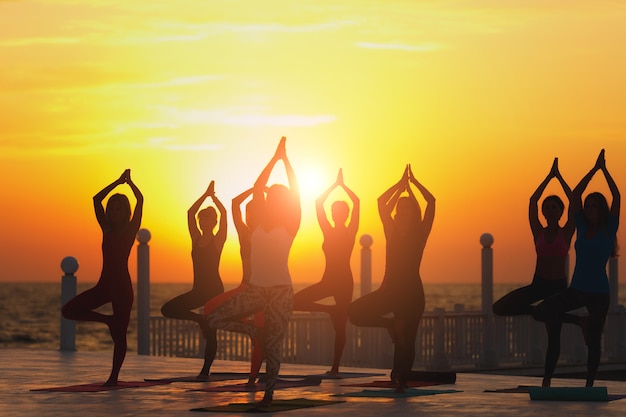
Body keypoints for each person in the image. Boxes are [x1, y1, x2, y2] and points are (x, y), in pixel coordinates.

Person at [206, 136, 300, 406]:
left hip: (281, 293)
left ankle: (269, 393)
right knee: (213, 318)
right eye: (268, 199)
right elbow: (259, 186)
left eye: (274, 199)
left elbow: (296, 191)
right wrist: (274, 158)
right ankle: (252, 332)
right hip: (256, 290)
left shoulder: (291, 224)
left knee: (273, 346)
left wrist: (286, 161)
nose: (269, 200)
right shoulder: (257, 224)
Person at [533, 149, 620, 387]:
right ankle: (579, 321)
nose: (589, 208)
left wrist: (605, 171)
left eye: (594, 206)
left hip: (600, 293)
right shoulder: (580, 226)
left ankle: (590, 385)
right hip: (577, 289)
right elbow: (575, 195)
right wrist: (593, 169)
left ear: (601, 209)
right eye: (588, 206)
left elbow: (617, 195)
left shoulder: (609, 227)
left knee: (594, 341)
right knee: (541, 312)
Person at [348, 164, 435, 392]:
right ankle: (390, 324)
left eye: (408, 208)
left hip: (412, 293)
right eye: (400, 208)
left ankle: (401, 379)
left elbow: (432, 202)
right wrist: (399, 185)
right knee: (354, 313)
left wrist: (414, 185)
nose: (403, 211)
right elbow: (380, 202)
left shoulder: (420, 232)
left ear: (413, 211)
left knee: (407, 339)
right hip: (391, 291)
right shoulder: (391, 230)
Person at [492, 157, 574, 387]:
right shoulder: (537, 230)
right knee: (499, 308)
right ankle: (547, 313)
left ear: (561, 211)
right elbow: (532, 200)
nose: (549, 210)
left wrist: (560, 179)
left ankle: (547, 381)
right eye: (546, 208)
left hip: (558, 287)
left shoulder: (566, 231)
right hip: (538, 283)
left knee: (553, 338)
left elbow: (575, 201)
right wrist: (549, 177)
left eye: (554, 207)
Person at [62, 169, 143, 386]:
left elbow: (140, 199)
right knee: (68, 310)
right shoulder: (106, 229)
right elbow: (96, 199)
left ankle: (113, 378)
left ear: (125, 211)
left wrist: (130, 184)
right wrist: (117, 182)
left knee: (120, 335)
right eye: (112, 209)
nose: (114, 212)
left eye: (119, 209)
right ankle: (107, 320)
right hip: (104, 286)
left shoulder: (130, 230)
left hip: (122, 290)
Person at [293, 168, 359, 376]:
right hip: (328, 280)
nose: (336, 215)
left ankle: (335, 367)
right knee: (294, 301)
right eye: (334, 212)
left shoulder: (350, 231)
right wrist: (333, 186)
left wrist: (343, 186)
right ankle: (328, 310)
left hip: (344, 282)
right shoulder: (327, 230)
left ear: (345, 215)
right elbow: (318, 204)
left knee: (340, 327)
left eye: (340, 212)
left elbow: (356, 203)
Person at [160, 181, 226, 380]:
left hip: (214, 290)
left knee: (212, 333)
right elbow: (190, 213)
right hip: (198, 290)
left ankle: (205, 371)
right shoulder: (196, 238)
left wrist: (214, 199)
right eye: (201, 220)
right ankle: (200, 320)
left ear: (213, 222)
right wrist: (204, 195)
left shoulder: (218, 239)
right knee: (168, 309)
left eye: (207, 220)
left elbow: (224, 215)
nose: (202, 222)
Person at [203, 186, 265, 385]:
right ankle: (249, 329)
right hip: (244, 287)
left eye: (254, 212)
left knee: (261, 333)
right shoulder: (243, 232)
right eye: (248, 213)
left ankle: (252, 378)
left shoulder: (268, 235)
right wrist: (256, 188)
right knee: (209, 311)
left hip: (262, 291)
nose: (249, 216)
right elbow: (235, 204)